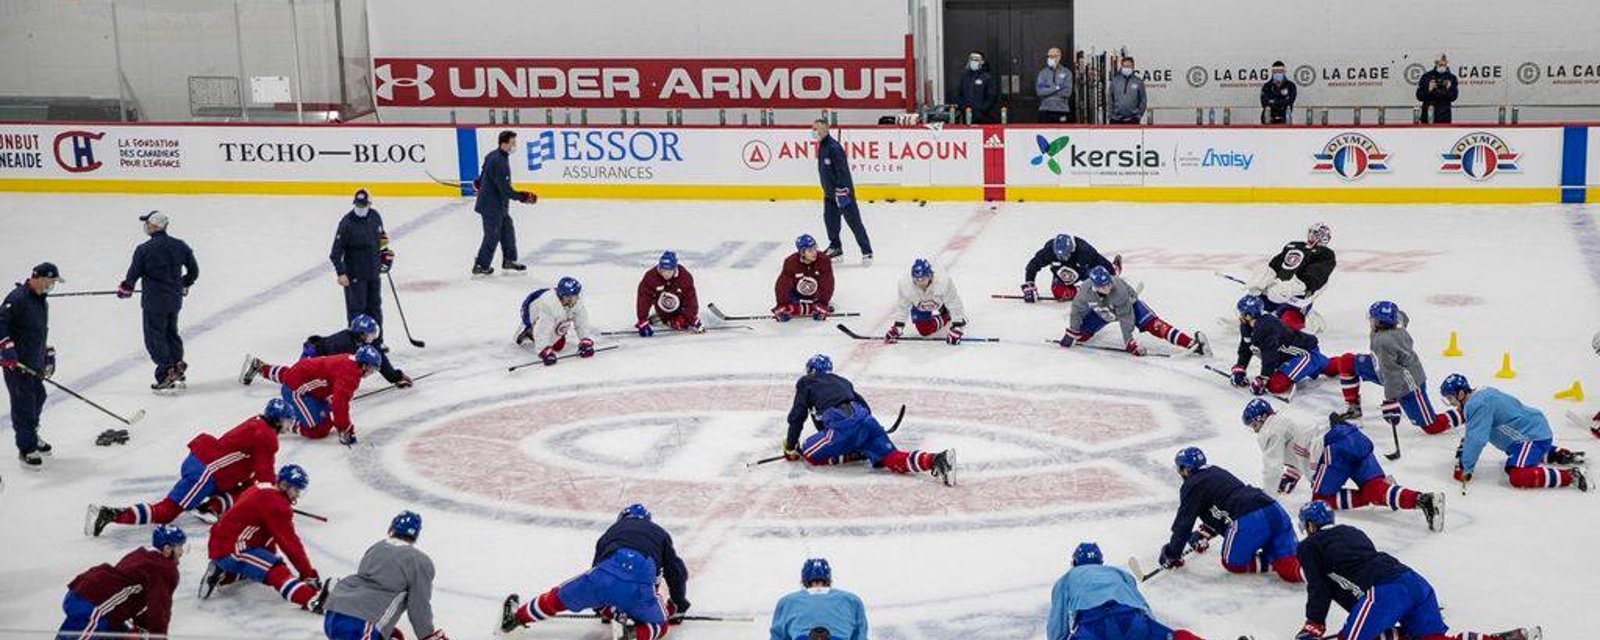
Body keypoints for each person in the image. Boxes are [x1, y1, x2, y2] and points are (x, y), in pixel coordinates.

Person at [1293, 502, 1541, 640]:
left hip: (1385, 591)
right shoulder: (1353, 532)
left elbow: (1319, 587)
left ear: (1310, 526)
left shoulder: (1309, 546)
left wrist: (1314, 624)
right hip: (1414, 582)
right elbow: (1351, 577)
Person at [87, 399, 292, 535]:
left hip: (205, 462)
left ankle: (210, 507)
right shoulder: (267, 437)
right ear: (278, 420)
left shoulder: (257, 422)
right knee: (167, 512)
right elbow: (265, 474)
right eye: (286, 420)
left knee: (249, 486)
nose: (288, 425)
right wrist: (277, 498)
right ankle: (111, 514)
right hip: (206, 472)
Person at [1242, 400, 1444, 532]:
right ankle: (1423, 499)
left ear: (1259, 419)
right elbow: (1298, 448)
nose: (1254, 429)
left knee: (1321, 500)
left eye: (1253, 424)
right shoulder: (1286, 418)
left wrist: (1266, 500)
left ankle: (1376, 494)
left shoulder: (1270, 429)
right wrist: (1292, 476)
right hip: (1352, 436)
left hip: (1335, 447)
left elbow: (1272, 466)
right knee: (1374, 488)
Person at [501, 504, 691, 640]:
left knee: (556, 598)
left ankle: (516, 618)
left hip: (604, 574)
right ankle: (633, 635)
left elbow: (599, 572)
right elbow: (676, 573)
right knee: (660, 626)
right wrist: (677, 606)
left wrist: (603, 611)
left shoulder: (611, 531)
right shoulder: (660, 534)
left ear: (622, 519)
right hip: (640, 580)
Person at [782, 354, 955, 484]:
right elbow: (864, 405)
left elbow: (798, 415)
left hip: (842, 422)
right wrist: (872, 431)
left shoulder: (806, 382)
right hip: (867, 421)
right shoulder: (843, 381)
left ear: (810, 370)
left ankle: (852, 453)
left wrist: (791, 446)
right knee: (893, 458)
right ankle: (935, 460)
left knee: (808, 453)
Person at [1158, 447, 1302, 583]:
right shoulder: (1217, 471)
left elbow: (1184, 524)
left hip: (1249, 520)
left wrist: (1172, 554)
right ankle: (1316, 562)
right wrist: (1204, 533)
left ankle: (1274, 562)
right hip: (1274, 509)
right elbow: (1222, 505)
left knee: (1233, 563)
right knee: (1291, 569)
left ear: (1185, 469)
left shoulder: (1191, 485)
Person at [201, 464, 330, 611]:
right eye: (296, 490)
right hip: (233, 548)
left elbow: (264, 534)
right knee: (276, 571)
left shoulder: (262, 487)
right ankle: (311, 600)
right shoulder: (276, 505)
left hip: (226, 542)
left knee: (264, 566)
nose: (298, 495)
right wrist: (308, 574)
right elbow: (289, 543)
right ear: (283, 485)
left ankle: (223, 573)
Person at [1441, 374, 1588, 492]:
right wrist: (1467, 446)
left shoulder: (1477, 404)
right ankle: (1558, 454)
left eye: (1450, 399)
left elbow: (1477, 439)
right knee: (1523, 453)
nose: (1451, 403)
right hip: (1531, 431)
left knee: (1518, 475)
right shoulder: (1481, 395)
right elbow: (1476, 429)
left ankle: (1571, 476)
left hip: (1529, 437)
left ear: (1461, 394)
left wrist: (1465, 466)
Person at [323, 511, 447, 640]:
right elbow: (418, 606)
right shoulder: (419, 561)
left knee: (393, 636)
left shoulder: (376, 547)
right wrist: (428, 636)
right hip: (361, 623)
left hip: (334, 612)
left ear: (392, 528)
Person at [1046, 543, 1205, 640]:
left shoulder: (1066, 579)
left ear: (1074, 562)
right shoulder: (1119, 573)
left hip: (1093, 627)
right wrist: (1152, 631)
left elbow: (1057, 625)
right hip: (1131, 619)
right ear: (1101, 562)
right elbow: (1142, 605)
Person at [1232, 295, 1374, 402]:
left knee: (1276, 386)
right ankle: (1340, 363)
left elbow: (1270, 355)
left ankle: (1350, 363)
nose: (1240, 316)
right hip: (1289, 356)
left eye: (1241, 312)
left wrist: (1263, 379)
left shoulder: (1267, 326)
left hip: (1306, 354)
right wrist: (1241, 367)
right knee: (1326, 366)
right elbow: (1246, 346)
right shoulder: (1246, 326)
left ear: (1249, 314)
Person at [117, 211, 199, 390]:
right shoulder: (180, 246)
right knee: (171, 332)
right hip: (174, 299)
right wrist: (183, 283)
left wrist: (125, 289)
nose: (146, 226)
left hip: (154, 301)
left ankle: (166, 371)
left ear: (154, 226)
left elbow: (133, 275)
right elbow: (194, 271)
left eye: (147, 223)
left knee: (155, 337)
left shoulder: (144, 249)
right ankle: (177, 364)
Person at [59, 525, 185, 640]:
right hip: (95, 605)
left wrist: (141, 625)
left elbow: (137, 594)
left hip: (84, 592)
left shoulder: (142, 553)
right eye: (180, 547)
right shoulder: (165, 568)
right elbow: (159, 607)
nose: (182, 552)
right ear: (167, 548)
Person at [241, 347, 382, 444]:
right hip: (296, 391)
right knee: (319, 430)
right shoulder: (351, 375)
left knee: (292, 375)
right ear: (364, 365)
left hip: (304, 376)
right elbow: (339, 403)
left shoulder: (350, 360)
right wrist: (345, 429)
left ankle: (261, 367)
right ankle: (275, 422)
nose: (371, 373)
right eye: (372, 369)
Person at [1057, 266, 1207, 356]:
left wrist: (1129, 342)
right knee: (1080, 337)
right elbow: (1076, 311)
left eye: (1109, 283)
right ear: (1095, 286)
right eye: (1103, 286)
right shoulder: (1085, 291)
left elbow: (1126, 317)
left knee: (1154, 326)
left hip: (1129, 305)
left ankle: (1191, 343)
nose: (1108, 287)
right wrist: (1072, 331)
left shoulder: (1119, 290)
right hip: (1104, 310)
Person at [0, 262, 61, 468]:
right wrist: (6, 347)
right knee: (23, 404)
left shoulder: (41, 300)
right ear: (40, 278)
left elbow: (37, 331)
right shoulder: (17, 298)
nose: (52, 285)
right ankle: (26, 448)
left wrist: (46, 353)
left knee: (39, 396)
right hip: (17, 364)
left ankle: (31, 435)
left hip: (33, 360)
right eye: (50, 281)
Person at [1367, 301, 1460, 433]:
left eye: (1373, 318)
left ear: (1380, 323)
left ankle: (1465, 412)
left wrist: (1390, 401)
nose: (1370, 320)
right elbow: (1403, 316)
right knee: (1348, 362)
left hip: (1408, 384)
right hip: (1382, 366)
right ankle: (1352, 405)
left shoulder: (1384, 342)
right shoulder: (1396, 321)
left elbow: (1391, 375)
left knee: (1432, 427)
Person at [1245, 222, 1336, 332]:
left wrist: (1290, 288)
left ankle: (1312, 320)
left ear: (1324, 237)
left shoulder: (1325, 254)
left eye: (1316, 233)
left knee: (1289, 324)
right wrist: (1260, 283)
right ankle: (1257, 322)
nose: (1312, 235)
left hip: (1297, 296)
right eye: (1311, 232)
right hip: (1276, 289)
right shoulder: (1293, 246)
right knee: (1248, 305)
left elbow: (1315, 276)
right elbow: (1274, 266)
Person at [282, 314, 410, 389]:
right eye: (371, 333)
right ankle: (268, 370)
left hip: (323, 359)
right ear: (362, 334)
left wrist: (395, 377)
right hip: (313, 358)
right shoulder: (342, 344)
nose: (374, 336)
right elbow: (331, 368)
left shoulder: (364, 343)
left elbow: (378, 358)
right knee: (294, 379)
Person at [472, 130, 536, 276]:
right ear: (504, 143)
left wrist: (479, 183)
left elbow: (484, 175)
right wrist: (524, 197)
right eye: (513, 143)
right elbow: (505, 189)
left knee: (507, 231)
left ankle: (509, 260)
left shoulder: (494, 156)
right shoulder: (499, 162)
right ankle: (480, 265)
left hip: (499, 205)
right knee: (492, 236)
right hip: (491, 206)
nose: (515, 146)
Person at [330, 189, 392, 333]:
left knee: (375, 308)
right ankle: (356, 343)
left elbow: (382, 239)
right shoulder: (346, 223)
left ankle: (377, 342)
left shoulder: (375, 216)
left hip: (373, 273)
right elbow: (335, 253)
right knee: (357, 310)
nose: (360, 209)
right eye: (358, 205)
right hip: (355, 275)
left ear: (369, 204)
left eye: (363, 206)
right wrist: (341, 273)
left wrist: (385, 256)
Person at [813, 120, 873, 264]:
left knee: (854, 222)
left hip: (842, 193)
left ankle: (867, 251)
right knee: (830, 222)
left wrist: (842, 190)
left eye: (817, 129)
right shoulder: (822, 146)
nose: (814, 131)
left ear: (825, 129)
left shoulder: (834, 148)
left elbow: (842, 171)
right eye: (813, 128)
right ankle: (836, 247)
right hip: (829, 194)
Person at [770, 558, 867, 640]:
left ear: (804, 581)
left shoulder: (787, 602)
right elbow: (860, 635)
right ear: (828, 580)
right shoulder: (852, 600)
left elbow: (778, 636)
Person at [516, 276, 598, 366]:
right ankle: (529, 331)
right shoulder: (548, 304)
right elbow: (542, 330)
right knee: (549, 334)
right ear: (565, 297)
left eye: (577, 295)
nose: (577, 298)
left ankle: (541, 331)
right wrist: (544, 350)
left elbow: (581, 321)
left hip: (555, 313)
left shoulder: (575, 301)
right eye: (574, 296)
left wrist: (585, 339)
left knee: (559, 345)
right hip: (533, 312)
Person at [885, 259, 966, 345]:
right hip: (919, 302)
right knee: (924, 330)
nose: (920, 283)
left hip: (939, 300)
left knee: (949, 303)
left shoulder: (943, 281)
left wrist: (957, 326)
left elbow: (954, 302)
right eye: (917, 280)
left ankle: (945, 309)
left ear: (930, 276)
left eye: (923, 279)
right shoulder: (905, 284)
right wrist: (898, 327)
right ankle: (947, 316)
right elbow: (903, 306)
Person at [1021, 233, 1117, 303]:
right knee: (1059, 292)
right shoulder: (1048, 251)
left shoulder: (1085, 251)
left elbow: (1101, 262)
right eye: (1059, 256)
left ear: (1072, 249)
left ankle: (1086, 288)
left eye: (1065, 255)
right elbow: (1033, 265)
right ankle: (1080, 290)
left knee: (1099, 289)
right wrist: (1029, 285)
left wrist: (1111, 276)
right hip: (1061, 273)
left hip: (1084, 272)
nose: (1063, 258)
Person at [636, 251, 703, 336]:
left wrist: (690, 317)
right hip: (661, 305)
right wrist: (642, 319)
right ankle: (664, 318)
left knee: (683, 323)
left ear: (675, 268)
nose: (665, 274)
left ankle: (676, 319)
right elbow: (643, 299)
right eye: (662, 270)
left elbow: (691, 300)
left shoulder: (685, 277)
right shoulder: (651, 277)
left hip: (679, 308)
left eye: (669, 271)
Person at [772, 234, 835, 322]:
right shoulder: (790, 262)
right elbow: (782, 286)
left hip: (815, 295)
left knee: (796, 308)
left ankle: (807, 307)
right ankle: (808, 308)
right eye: (810, 250)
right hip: (796, 296)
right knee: (788, 307)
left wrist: (823, 303)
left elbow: (828, 284)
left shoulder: (824, 260)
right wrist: (781, 304)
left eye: (815, 248)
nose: (814, 252)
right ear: (802, 252)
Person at [956, 51, 998, 124]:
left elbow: (992, 96)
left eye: (976, 59)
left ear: (982, 62)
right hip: (967, 116)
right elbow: (959, 94)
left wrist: (982, 109)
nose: (973, 61)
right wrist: (963, 107)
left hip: (984, 117)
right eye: (971, 59)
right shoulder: (964, 77)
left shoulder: (987, 77)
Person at [1416, 54, 1459, 124]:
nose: (1442, 66)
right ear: (1435, 63)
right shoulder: (1426, 77)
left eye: (1444, 64)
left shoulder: (1451, 78)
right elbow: (1419, 96)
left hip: (1444, 116)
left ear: (1447, 63)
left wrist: (1448, 89)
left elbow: (1453, 97)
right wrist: (1429, 89)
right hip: (1428, 115)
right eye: (1440, 64)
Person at [1036, 47, 1072, 123]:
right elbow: (1040, 91)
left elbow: (1067, 92)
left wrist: (1048, 89)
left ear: (1059, 57)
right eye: (1048, 56)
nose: (1049, 58)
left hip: (1062, 110)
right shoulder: (1043, 73)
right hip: (1045, 110)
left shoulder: (1067, 73)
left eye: (1052, 56)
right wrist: (1057, 87)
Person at [1106, 57, 1146, 124]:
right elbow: (1110, 99)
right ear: (1121, 67)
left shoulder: (1138, 82)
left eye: (1128, 66)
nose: (1126, 68)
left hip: (1133, 120)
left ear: (1133, 67)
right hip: (1116, 120)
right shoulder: (1115, 81)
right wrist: (1111, 116)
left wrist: (1138, 116)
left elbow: (1143, 100)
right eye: (1124, 66)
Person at [1260, 61, 1297, 125]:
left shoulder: (1291, 86)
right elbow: (1264, 103)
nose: (1277, 73)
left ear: (1284, 72)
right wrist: (1282, 102)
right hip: (1269, 119)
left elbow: (1290, 101)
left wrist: (1273, 101)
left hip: (1285, 118)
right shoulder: (1266, 86)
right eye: (1275, 72)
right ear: (1272, 73)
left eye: (1280, 71)